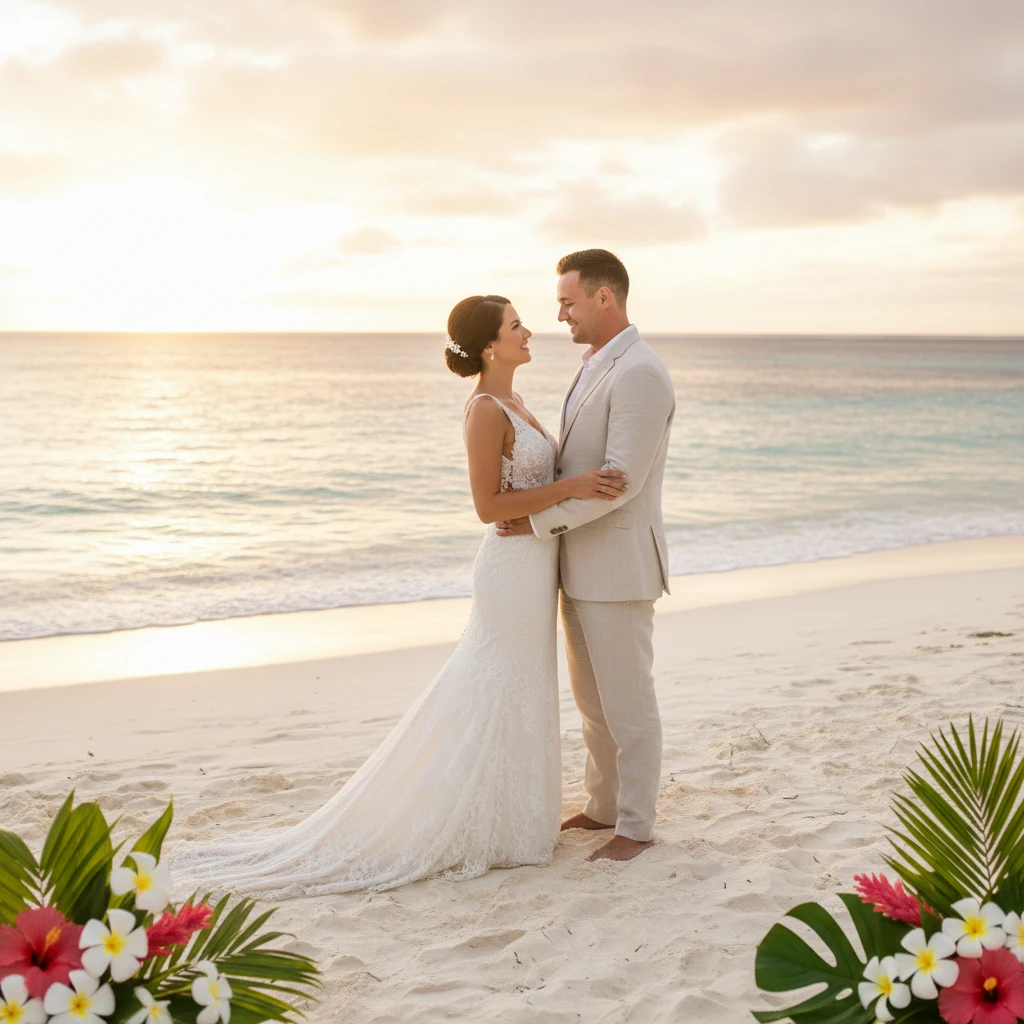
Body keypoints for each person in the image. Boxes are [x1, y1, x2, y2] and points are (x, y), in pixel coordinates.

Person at [169, 295, 627, 896]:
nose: (528, 330)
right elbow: (487, 507)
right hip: (511, 568)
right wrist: (572, 486)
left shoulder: (516, 401)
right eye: (516, 325)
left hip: (535, 563)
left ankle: (513, 820)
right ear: (490, 345)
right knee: (496, 687)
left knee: (521, 687)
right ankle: (478, 822)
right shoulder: (486, 410)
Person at [497, 249, 676, 862]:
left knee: (629, 704)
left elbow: (618, 481)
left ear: (606, 297)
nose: (560, 314)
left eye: (568, 302)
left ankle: (637, 825)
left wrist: (536, 519)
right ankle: (603, 806)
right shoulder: (596, 363)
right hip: (578, 564)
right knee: (594, 706)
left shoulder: (640, 373)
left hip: (620, 567)